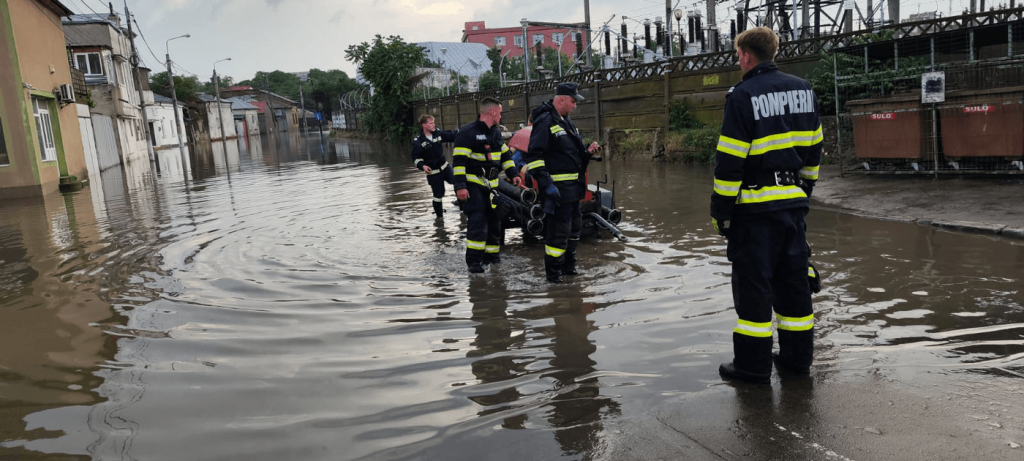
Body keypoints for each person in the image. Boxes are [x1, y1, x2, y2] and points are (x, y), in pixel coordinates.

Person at [710, 27, 823, 383]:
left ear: (745, 55)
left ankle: (752, 366)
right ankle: (796, 359)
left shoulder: (742, 96)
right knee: (794, 283)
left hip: (755, 211)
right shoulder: (804, 90)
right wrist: (803, 189)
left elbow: (730, 161)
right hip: (792, 206)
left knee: (754, 287)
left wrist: (721, 212)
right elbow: (814, 147)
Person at [526, 82, 601, 283]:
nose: (575, 105)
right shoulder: (545, 121)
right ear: (561, 100)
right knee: (557, 236)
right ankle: (553, 278)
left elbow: (571, 157)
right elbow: (534, 157)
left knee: (574, 232)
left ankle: (569, 269)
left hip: (573, 192)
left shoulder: (566, 122)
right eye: (573, 101)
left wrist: (588, 152)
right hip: (557, 193)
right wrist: (547, 184)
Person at [453, 97, 522, 273]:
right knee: (478, 222)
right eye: (500, 112)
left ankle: (492, 258)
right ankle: (474, 263)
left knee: (495, 220)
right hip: (473, 185)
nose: (501, 115)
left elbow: (505, 155)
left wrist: (513, 174)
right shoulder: (467, 133)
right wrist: (460, 187)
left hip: (491, 186)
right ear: (492, 112)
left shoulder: (495, 133)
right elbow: (459, 163)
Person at [410, 114, 458, 217]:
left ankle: (462, 207)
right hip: (434, 173)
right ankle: (439, 219)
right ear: (424, 125)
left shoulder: (438, 134)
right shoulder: (418, 141)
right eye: (431, 123)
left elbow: (451, 135)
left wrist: (465, 133)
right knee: (438, 195)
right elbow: (415, 158)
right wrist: (422, 166)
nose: (433, 125)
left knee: (458, 182)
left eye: (433, 123)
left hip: (446, 168)